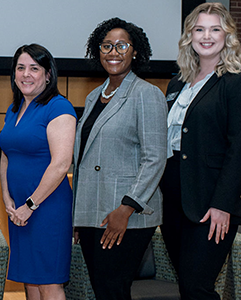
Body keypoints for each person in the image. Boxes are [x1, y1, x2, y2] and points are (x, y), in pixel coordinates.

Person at [159, 3, 241, 299]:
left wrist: (223, 204)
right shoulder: (177, 82)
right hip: (173, 196)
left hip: (210, 199)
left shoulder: (239, 83)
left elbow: (240, 150)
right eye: (199, 29)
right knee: (188, 285)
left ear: (227, 35)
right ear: (189, 35)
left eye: (215, 29)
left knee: (197, 286)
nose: (206, 36)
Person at [72, 17, 167, 300]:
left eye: (121, 45)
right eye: (106, 46)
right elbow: (84, 160)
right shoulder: (92, 98)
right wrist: (80, 215)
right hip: (93, 212)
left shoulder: (146, 94)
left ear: (135, 51)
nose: (113, 52)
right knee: (103, 290)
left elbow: (155, 158)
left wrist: (125, 209)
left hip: (126, 214)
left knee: (113, 289)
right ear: (97, 51)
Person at [0, 44, 76, 300]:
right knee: (30, 282)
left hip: (47, 208)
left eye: (34, 68)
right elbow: (7, 156)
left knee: (48, 282)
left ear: (48, 75)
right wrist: (7, 198)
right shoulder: (14, 109)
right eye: (21, 68)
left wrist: (30, 204)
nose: (26, 74)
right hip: (19, 209)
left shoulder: (58, 107)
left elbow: (61, 164)